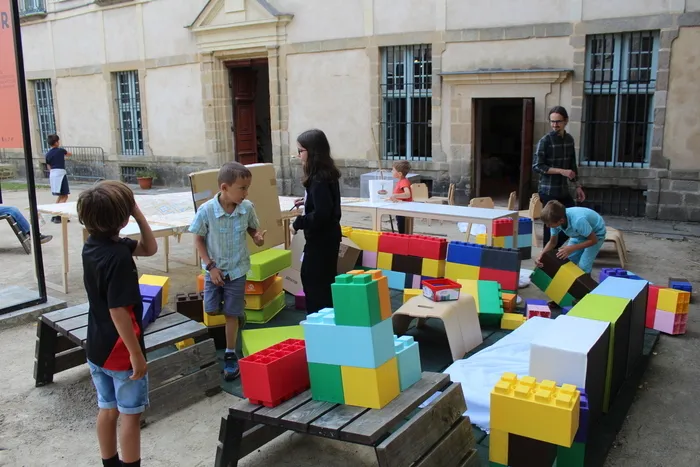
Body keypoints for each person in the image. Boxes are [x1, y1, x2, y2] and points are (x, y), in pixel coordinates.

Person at [77, 181, 158, 467]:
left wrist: (132, 212)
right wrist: (136, 354)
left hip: (97, 346)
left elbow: (149, 248)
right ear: (123, 219)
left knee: (107, 409)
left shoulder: (93, 244)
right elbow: (119, 311)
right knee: (130, 416)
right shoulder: (119, 257)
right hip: (121, 352)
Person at [189, 162, 266, 381]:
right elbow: (198, 238)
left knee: (230, 314)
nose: (246, 192)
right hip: (215, 270)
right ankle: (237, 310)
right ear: (224, 187)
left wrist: (257, 237)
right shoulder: (206, 211)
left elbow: (253, 228)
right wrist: (211, 267)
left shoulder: (247, 208)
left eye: (247, 188)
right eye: (242, 188)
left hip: (238, 269)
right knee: (212, 309)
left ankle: (230, 354)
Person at [291, 129, 342, 315]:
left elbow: (321, 214)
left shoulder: (319, 178)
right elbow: (324, 203)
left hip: (322, 239)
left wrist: (298, 223)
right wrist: (307, 201)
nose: (298, 155)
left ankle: (319, 322)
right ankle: (324, 320)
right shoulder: (324, 174)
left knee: (314, 283)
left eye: (301, 150)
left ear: (312, 151)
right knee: (321, 282)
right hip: (327, 237)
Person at [533, 106, 586, 248]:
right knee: (550, 225)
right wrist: (561, 171)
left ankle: (555, 249)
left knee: (571, 219)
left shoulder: (569, 139)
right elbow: (537, 166)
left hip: (563, 189)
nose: (555, 125)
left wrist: (578, 186)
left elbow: (572, 166)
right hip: (548, 190)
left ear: (566, 121)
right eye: (552, 121)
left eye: (558, 121)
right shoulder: (545, 141)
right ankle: (548, 254)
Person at [536, 200, 606, 275]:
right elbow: (552, 242)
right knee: (566, 260)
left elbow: (593, 240)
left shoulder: (578, 221)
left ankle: (585, 283)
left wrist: (571, 248)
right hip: (578, 234)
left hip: (596, 234)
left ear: (561, 221)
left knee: (583, 266)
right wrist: (541, 255)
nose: (547, 226)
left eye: (549, 224)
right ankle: (568, 283)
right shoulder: (554, 220)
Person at [45, 134, 72, 224]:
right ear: (56, 142)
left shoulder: (48, 154)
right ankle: (59, 215)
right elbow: (69, 154)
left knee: (60, 195)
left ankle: (54, 214)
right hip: (60, 174)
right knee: (65, 195)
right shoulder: (60, 151)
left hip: (53, 174)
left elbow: (48, 165)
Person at [389, 160, 413, 234]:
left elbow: (407, 194)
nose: (391, 171)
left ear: (399, 173)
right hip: (400, 208)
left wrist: (395, 195)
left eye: (393, 170)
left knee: (402, 228)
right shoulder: (400, 181)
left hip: (404, 209)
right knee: (400, 225)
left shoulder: (403, 182)